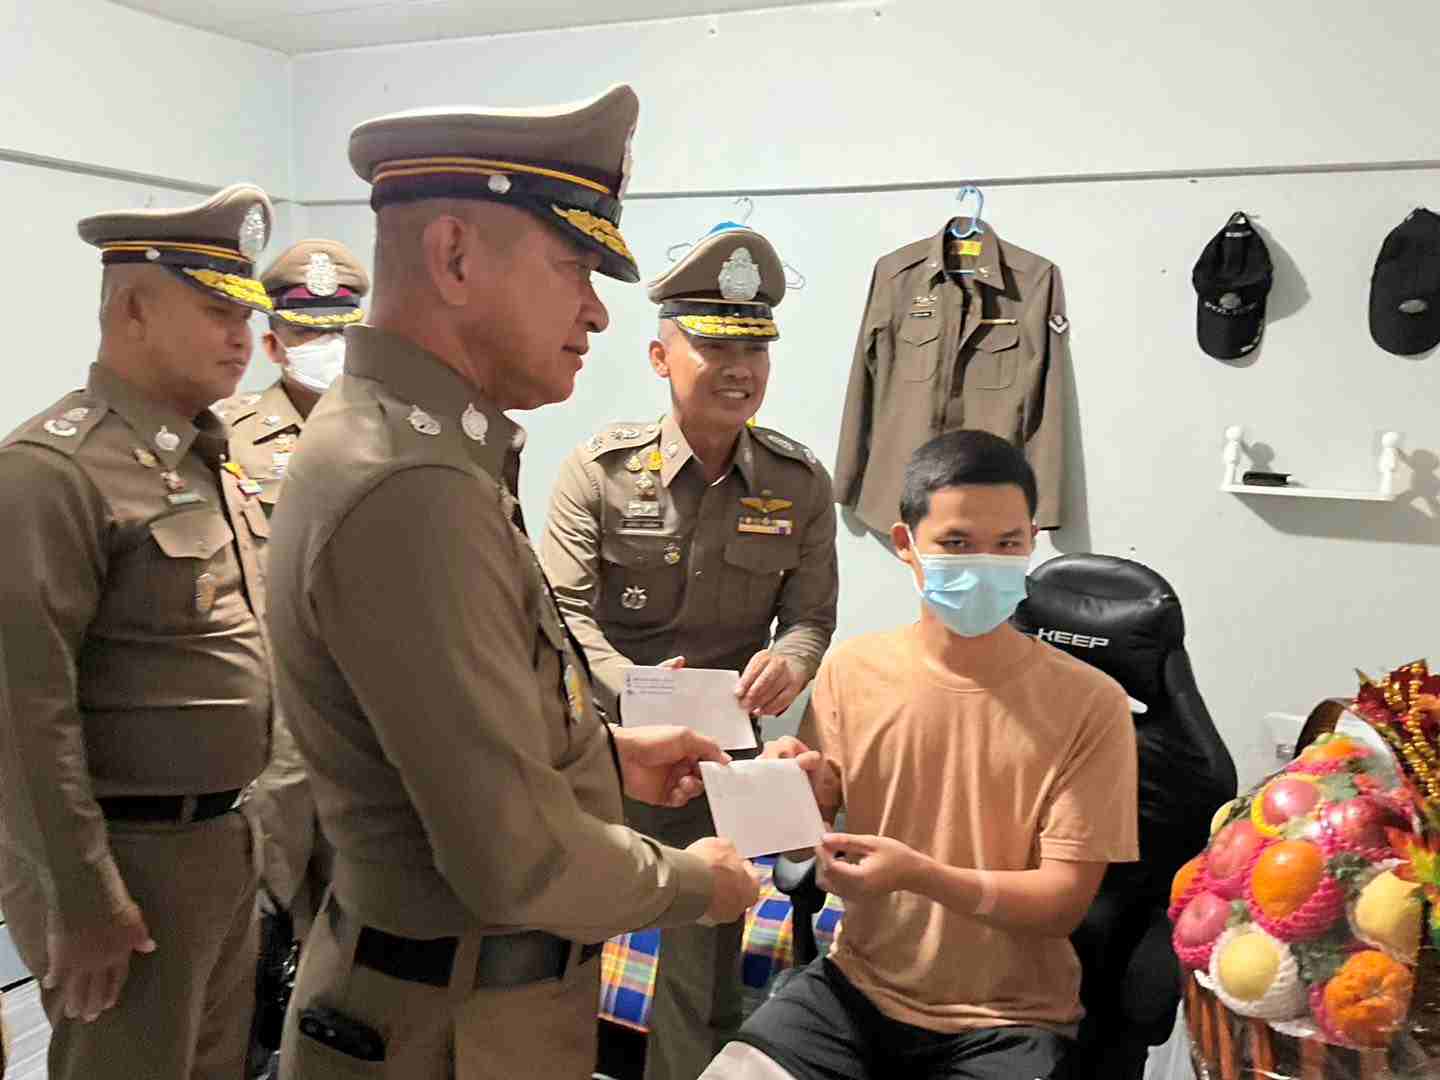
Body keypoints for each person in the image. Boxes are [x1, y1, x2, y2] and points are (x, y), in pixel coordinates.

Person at [264, 85, 760, 1079]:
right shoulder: (410, 482)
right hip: (451, 1032)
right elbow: (514, 856)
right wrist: (695, 882)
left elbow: (448, 735)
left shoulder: (414, 444)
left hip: (459, 1005)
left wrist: (607, 756)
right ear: (454, 256)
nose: (596, 310)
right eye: (573, 266)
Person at [701, 430, 1139, 1080]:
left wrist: (919, 876)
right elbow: (803, 849)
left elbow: (1062, 903)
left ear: (1032, 542)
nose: (984, 563)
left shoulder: (1091, 704)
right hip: (853, 989)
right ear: (906, 544)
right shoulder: (853, 670)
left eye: (1007, 544)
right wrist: (790, 790)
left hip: (1008, 1021)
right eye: (956, 543)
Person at [542, 222, 838, 1080]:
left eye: (755, 349)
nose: (740, 369)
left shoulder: (798, 483)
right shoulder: (598, 473)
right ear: (660, 356)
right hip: (604, 754)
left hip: (720, 765)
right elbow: (562, 614)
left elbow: (810, 616)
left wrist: (794, 661)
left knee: (702, 971)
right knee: (563, 947)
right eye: (714, 346)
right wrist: (633, 689)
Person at [0, 183, 278, 1079]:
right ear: (132, 310)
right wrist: (79, 897)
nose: (241, 336)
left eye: (246, 314)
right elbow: (22, 715)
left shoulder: (205, 459)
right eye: (216, 311)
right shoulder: (54, 471)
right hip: (127, 861)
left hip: (223, 844)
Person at [212, 238, 371, 1076]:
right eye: (308, 332)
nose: (326, 347)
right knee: (253, 938)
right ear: (273, 341)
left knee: (357, 941)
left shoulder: (396, 431)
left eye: (341, 329)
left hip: (371, 727)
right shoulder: (224, 436)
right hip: (270, 739)